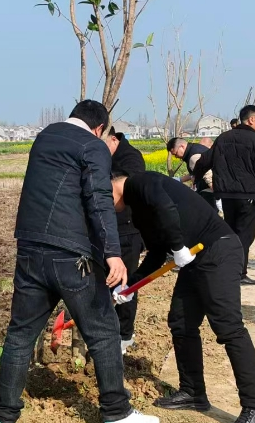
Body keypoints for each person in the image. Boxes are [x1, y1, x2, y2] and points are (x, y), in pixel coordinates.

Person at [0, 100, 159, 423]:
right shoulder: (92, 146)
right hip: (70, 255)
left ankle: (3, 416)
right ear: (100, 129)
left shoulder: (44, 138)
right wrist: (112, 254)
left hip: (29, 249)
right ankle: (117, 412)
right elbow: (99, 200)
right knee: (104, 331)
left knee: (20, 334)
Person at [110, 172, 255, 423]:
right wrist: (130, 286)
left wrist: (177, 246)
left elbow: (165, 207)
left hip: (218, 249)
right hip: (194, 258)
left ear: (110, 186)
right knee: (181, 322)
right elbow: (156, 253)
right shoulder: (137, 209)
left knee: (228, 328)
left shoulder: (140, 182)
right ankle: (193, 392)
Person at [194, 105, 255, 286]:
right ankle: (238, 274)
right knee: (245, 236)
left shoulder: (223, 138)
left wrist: (196, 180)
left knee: (232, 233)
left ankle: (227, 270)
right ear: (251, 120)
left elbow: (204, 161)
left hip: (227, 196)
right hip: (249, 195)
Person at [105, 127, 146, 354]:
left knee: (126, 284)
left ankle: (124, 335)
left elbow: (130, 189)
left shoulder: (131, 158)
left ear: (113, 139)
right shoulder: (103, 155)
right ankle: (110, 330)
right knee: (109, 283)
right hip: (108, 230)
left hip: (128, 230)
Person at [166, 137, 217, 210]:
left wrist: (218, 194)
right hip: (210, 188)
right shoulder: (195, 148)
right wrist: (180, 179)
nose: (176, 157)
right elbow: (196, 172)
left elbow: (208, 176)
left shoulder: (193, 157)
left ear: (182, 146)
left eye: (176, 153)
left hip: (209, 190)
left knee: (209, 213)